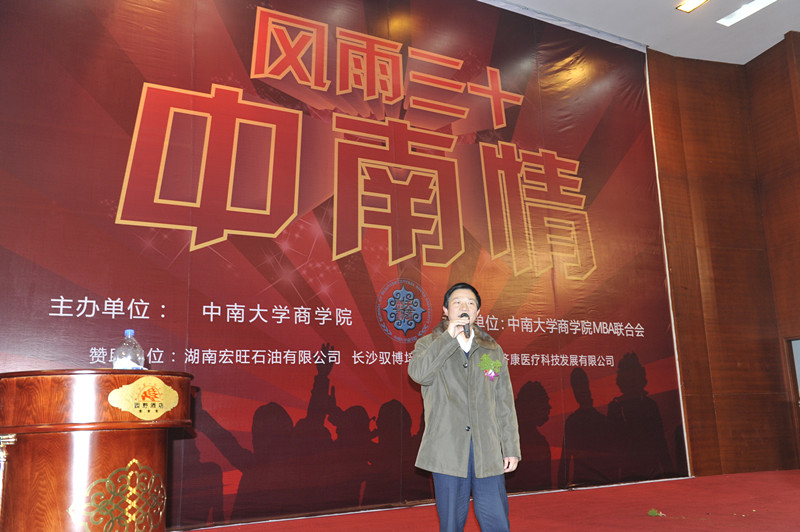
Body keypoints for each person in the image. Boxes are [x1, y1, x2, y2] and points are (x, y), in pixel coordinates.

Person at [408, 282, 520, 532]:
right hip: (447, 449)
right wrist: (448, 337)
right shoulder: (428, 344)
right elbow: (419, 374)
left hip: (487, 450)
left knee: (496, 520)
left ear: (478, 312)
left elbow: (503, 400)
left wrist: (511, 447)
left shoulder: (490, 349)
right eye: (457, 302)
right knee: (451, 523)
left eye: (470, 303)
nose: (464, 307)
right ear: (445, 310)